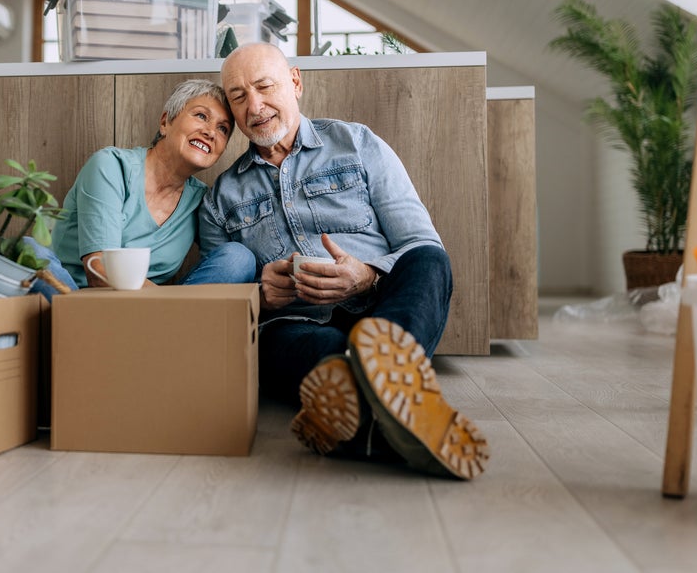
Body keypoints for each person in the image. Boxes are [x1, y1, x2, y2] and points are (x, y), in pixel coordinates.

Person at [198, 43, 490, 480]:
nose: (254, 107)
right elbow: (220, 312)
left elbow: (418, 239)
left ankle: (361, 417)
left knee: (429, 260)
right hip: (295, 326)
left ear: (295, 82)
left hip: (383, 307)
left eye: (264, 87)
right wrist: (262, 296)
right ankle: (399, 407)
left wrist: (367, 276)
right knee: (285, 349)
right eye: (238, 97)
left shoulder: (357, 143)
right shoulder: (219, 200)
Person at [35, 78, 255, 295]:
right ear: (165, 122)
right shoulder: (111, 166)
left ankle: (173, 316)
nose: (211, 132)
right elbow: (99, 272)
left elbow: (220, 268)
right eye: (201, 116)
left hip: (151, 309)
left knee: (238, 258)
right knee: (31, 250)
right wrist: (168, 304)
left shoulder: (201, 201)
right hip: (74, 300)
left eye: (223, 129)